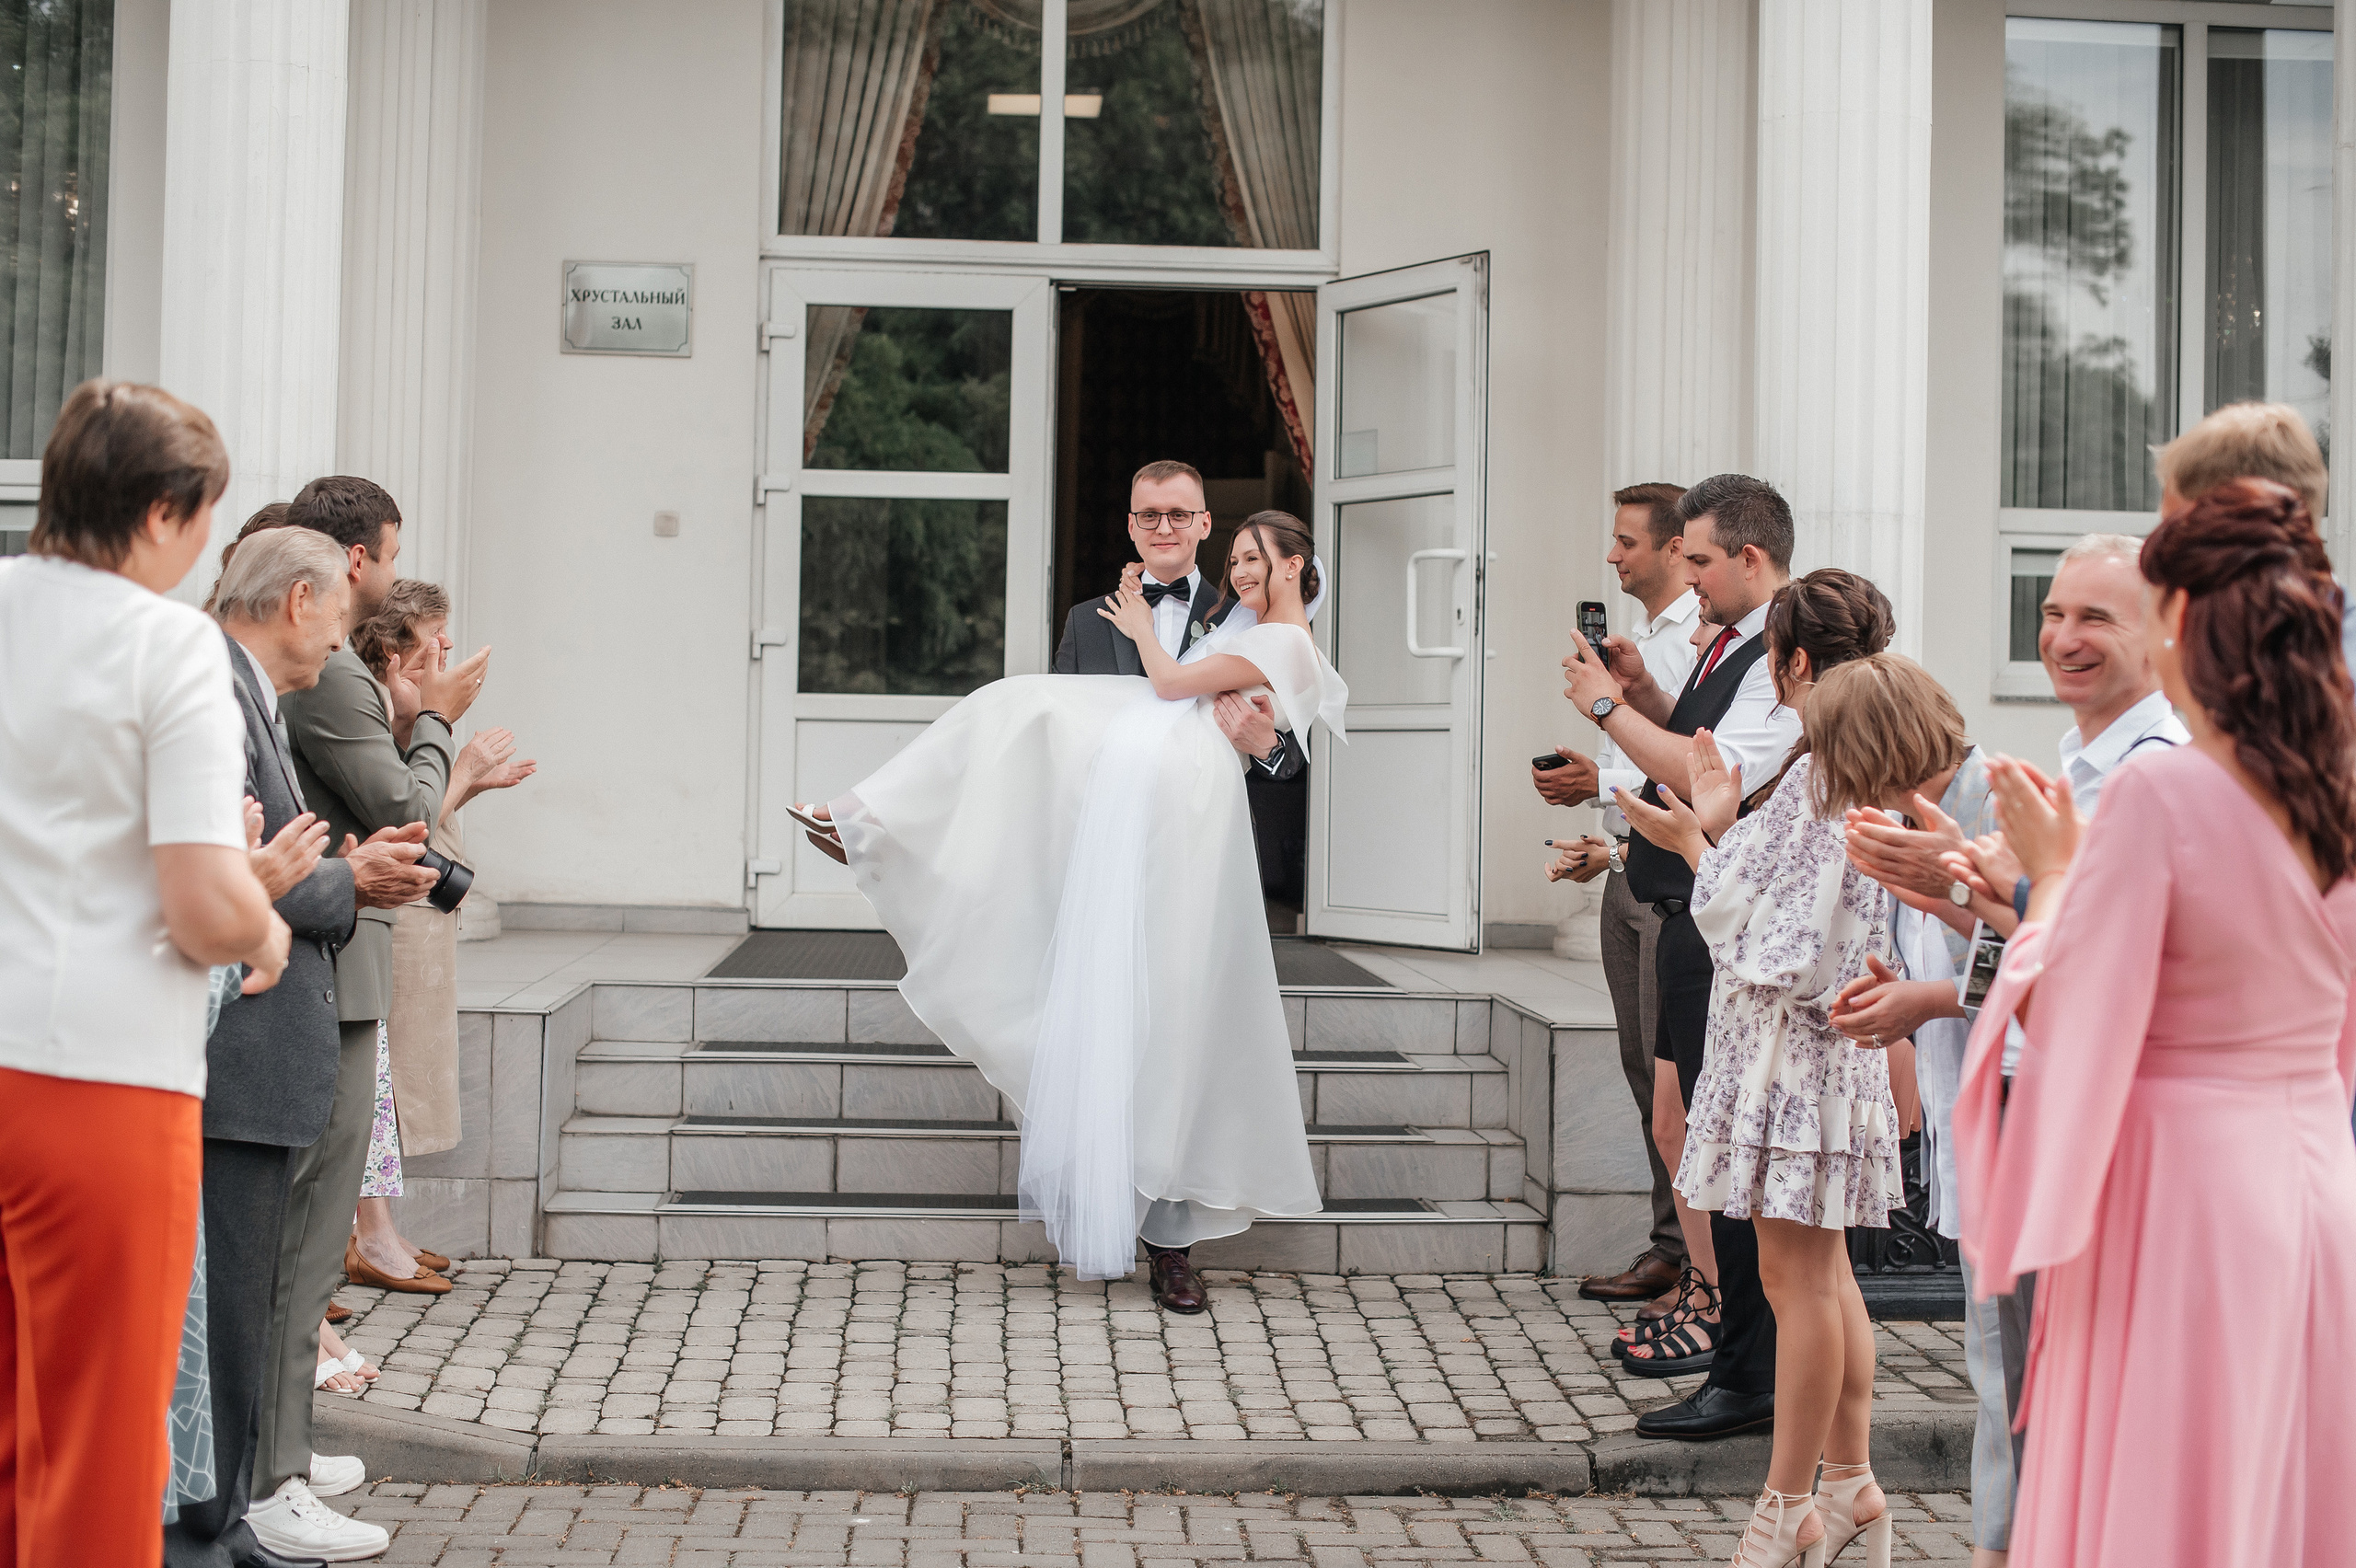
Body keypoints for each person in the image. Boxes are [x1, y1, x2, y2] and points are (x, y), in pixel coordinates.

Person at [1954, 478, 2356, 1566]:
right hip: (2315, 1172)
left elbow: (2083, 1012)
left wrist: (2040, 891)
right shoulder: (2340, 790)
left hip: (2177, 1184)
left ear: (2180, 624)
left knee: (2166, 1477)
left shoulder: (2162, 797)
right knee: (2274, 1470)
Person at [798, 511, 1341, 1310]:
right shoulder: (1122, 619)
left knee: (1176, 1007)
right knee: (1010, 712)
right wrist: (1130, 623)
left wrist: (1261, 741)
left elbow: (1270, 744)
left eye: (1252, 555)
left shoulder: (1280, 638)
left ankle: (1171, 1240)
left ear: (1291, 563)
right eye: (1238, 558)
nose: (1240, 567)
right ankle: (876, 827)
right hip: (1125, 796)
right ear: (1131, 520)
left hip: (1186, 811)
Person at [1840, 530, 2186, 1568]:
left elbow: (2126, 970)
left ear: (2163, 634)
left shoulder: (2154, 774)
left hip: (2084, 1123)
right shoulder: (2075, 770)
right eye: (2050, 613)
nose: (2061, 637)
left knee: (2053, 1393)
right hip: (2016, 1105)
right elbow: (2026, 946)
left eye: (2094, 617)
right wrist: (1950, 898)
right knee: (2013, 1385)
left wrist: (1951, 918)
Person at [0, 379, 289, 1568]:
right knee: (99, 1437)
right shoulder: (171, 644)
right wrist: (265, 926)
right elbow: (204, 904)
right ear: (165, 512)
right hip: (103, 1080)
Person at [193, 525, 437, 1568]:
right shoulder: (216, 688)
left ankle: (232, 1505)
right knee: (239, 1303)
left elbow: (266, 864)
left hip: (257, 1049)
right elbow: (228, 880)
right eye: (338, 621)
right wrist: (349, 881)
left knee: (249, 1301)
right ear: (300, 600)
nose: (339, 646)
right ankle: (228, 1512)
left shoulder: (244, 688)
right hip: (239, 1054)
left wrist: (324, 870)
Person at [262, 477, 486, 1541]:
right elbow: (404, 805)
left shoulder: (330, 672)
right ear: (347, 567)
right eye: (389, 557)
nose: (392, 578)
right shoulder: (335, 677)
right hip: (328, 960)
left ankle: (281, 1457)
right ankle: (270, 1475)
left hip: (340, 948)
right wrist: (438, 722)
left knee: (309, 1231)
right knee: (303, 1232)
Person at [1560, 473, 1802, 1436]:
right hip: (1682, 907)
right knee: (1679, 1129)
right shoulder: (1729, 643)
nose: (1685, 578)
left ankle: (1739, 1355)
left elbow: (1713, 776)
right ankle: (1721, 1327)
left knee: (1714, 1148)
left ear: (1750, 558)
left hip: (1723, 923)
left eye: (1699, 561)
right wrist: (1648, 692)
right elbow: (1696, 734)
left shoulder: (1783, 650)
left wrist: (1601, 712)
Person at [346, 581, 535, 1283]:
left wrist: (473, 778)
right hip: (389, 912)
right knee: (380, 1077)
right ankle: (367, 1235)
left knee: (391, 1080)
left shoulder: (403, 709)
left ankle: (375, 1229)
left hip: (419, 909)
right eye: (435, 636)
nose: (448, 648)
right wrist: (463, 770)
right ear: (395, 650)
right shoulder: (371, 706)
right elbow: (406, 816)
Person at [1542, 481, 1701, 1311]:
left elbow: (1687, 766)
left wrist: (1599, 772)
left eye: (1626, 542)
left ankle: (1692, 1263)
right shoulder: (1645, 639)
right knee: (1645, 1070)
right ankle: (1671, 1246)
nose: (1612, 556)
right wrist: (1608, 848)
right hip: (1634, 867)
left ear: (1675, 548)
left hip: (1674, 881)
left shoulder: (1694, 644)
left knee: (1672, 1078)